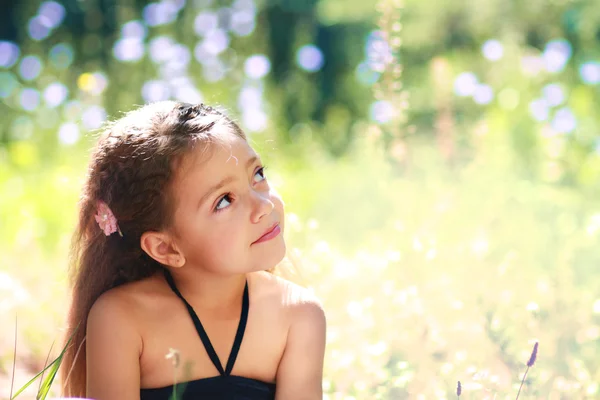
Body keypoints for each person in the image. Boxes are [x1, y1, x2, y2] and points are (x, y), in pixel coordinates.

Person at [59, 101, 326, 400]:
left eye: (258, 175)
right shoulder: (121, 319)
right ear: (165, 247)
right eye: (224, 200)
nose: (264, 205)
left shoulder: (299, 315)